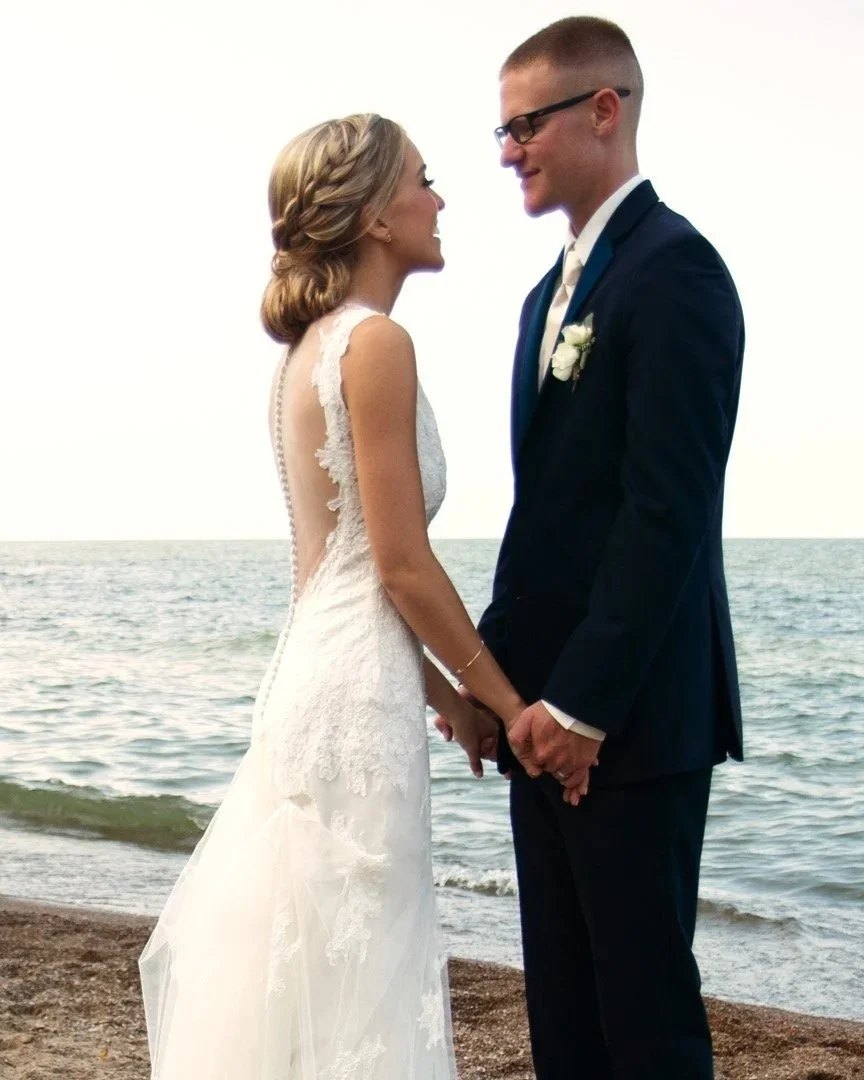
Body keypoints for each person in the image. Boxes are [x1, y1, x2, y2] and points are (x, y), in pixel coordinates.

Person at [138, 113, 531, 1080]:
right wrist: (510, 706)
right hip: (354, 704)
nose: (440, 198)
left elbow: (340, 577)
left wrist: (448, 704)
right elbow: (397, 565)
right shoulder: (378, 345)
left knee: (313, 972)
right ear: (373, 216)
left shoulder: (300, 359)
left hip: (319, 676)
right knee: (359, 971)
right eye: (422, 179)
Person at [437, 16, 744, 1080]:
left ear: (604, 110)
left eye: (524, 125)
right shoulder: (542, 299)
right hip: (541, 720)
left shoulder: (678, 274)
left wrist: (583, 709)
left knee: (645, 1016)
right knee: (562, 1015)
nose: (508, 150)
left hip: (634, 723)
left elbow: (668, 516)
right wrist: (499, 688)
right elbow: (550, 525)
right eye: (502, 132)